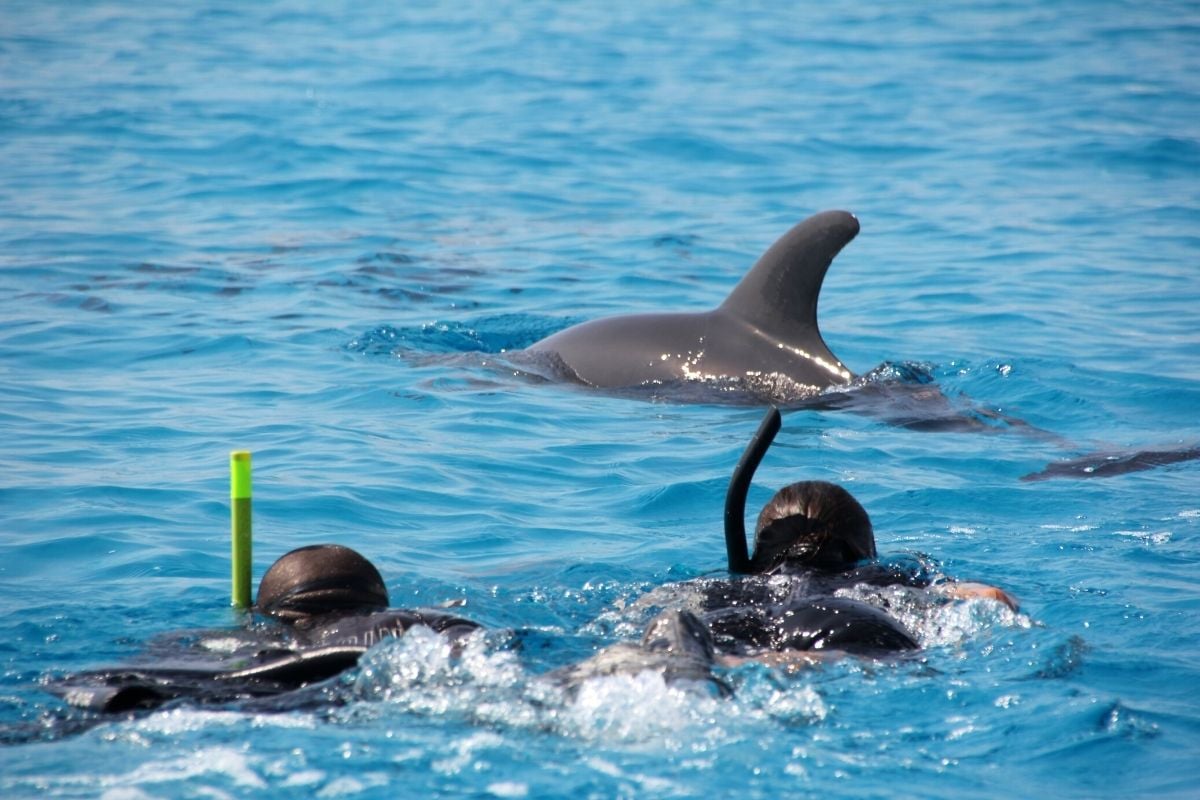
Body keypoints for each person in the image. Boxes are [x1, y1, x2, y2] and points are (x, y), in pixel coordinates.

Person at [51, 544, 480, 714]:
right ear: (379, 601)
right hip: (355, 691)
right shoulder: (414, 622)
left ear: (266, 612)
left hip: (231, 693)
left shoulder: (227, 641)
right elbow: (476, 650)